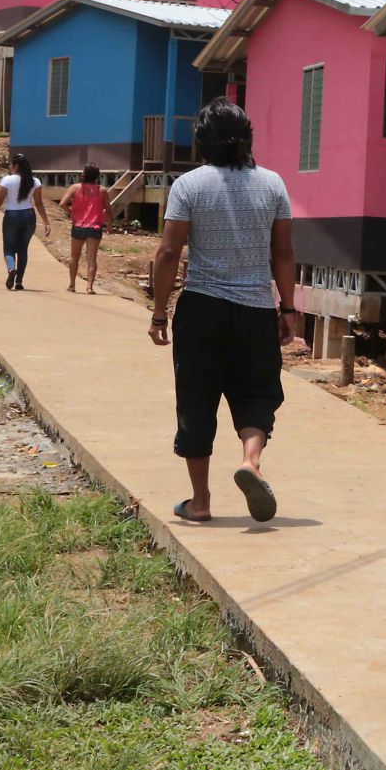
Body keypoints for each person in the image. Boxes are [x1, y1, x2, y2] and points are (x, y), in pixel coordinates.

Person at [148, 98, 298, 524]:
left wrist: (159, 313)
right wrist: (288, 308)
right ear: (247, 138)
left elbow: (168, 251)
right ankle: (250, 462)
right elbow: (283, 253)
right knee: (256, 395)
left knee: (196, 401)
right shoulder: (273, 185)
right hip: (254, 310)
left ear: (202, 140)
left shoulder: (189, 186)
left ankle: (200, 502)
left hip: (201, 309)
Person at [0, 154, 51, 291]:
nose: (10, 168)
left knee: (9, 248)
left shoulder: (7, 180)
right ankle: (19, 282)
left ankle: (12, 268)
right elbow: (39, 203)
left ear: (16, 166)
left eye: (11, 165)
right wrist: (46, 222)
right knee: (23, 250)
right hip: (29, 216)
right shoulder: (34, 182)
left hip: (12, 215)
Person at [63, 164, 109, 294]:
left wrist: (71, 213)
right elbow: (109, 210)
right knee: (91, 258)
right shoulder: (102, 191)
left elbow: (62, 203)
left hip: (78, 226)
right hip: (95, 227)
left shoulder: (75, 188)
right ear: (97, 176)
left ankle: (72, 285)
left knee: (74, 257)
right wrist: (109, 224)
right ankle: (89, 287)